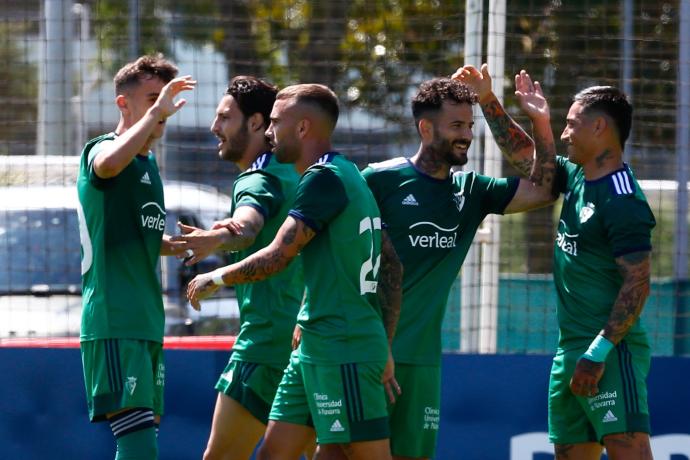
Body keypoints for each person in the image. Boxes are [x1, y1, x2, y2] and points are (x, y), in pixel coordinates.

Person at [317, 66, 558, 460]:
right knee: (336, 454)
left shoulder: (473, 191)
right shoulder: (378, 179)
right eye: (456, 125)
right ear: (426, 130)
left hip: (422, 359)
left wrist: (504, 107)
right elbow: (328, 245)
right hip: (361, 349)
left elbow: (545, 188)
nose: (466, 134)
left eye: (469, 124)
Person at [186, 83, 402, 460]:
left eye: (274, 123)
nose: (268, 133)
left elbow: (277, 256)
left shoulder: (323, 179)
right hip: (311, 346)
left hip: (344, 347)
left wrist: (215, 277)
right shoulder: (345, 173)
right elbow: (388, 265)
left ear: (302, 129)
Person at [168, 76, 306, 460]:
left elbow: (247, 226)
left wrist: (220, 236)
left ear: (257, 123)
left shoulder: (259, 179)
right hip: (310, 340)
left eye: (224, 118)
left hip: (264, 346)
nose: (215, 128)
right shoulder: (300, 173)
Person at [76, 54, 196, 459]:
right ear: (123, 103)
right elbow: (106, 167)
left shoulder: (147, 164)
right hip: (114, 318)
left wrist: (166, 244)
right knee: (138, 441)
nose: (162, 107)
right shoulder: (104, 149)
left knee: (145, 439)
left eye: (164, 98)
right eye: (152, 98)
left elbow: (123, 229)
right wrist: (155, 115)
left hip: (145, 319)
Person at [535, 85, 656, 459]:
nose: (564, 134)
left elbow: (638, 282)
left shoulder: (622, 199)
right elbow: (531, 163)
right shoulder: (577, 177)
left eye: (571, 125)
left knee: (629, 450)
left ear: (600, 126)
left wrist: (597, 353)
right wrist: (504, 107)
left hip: (608, 353)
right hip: (569, 351)